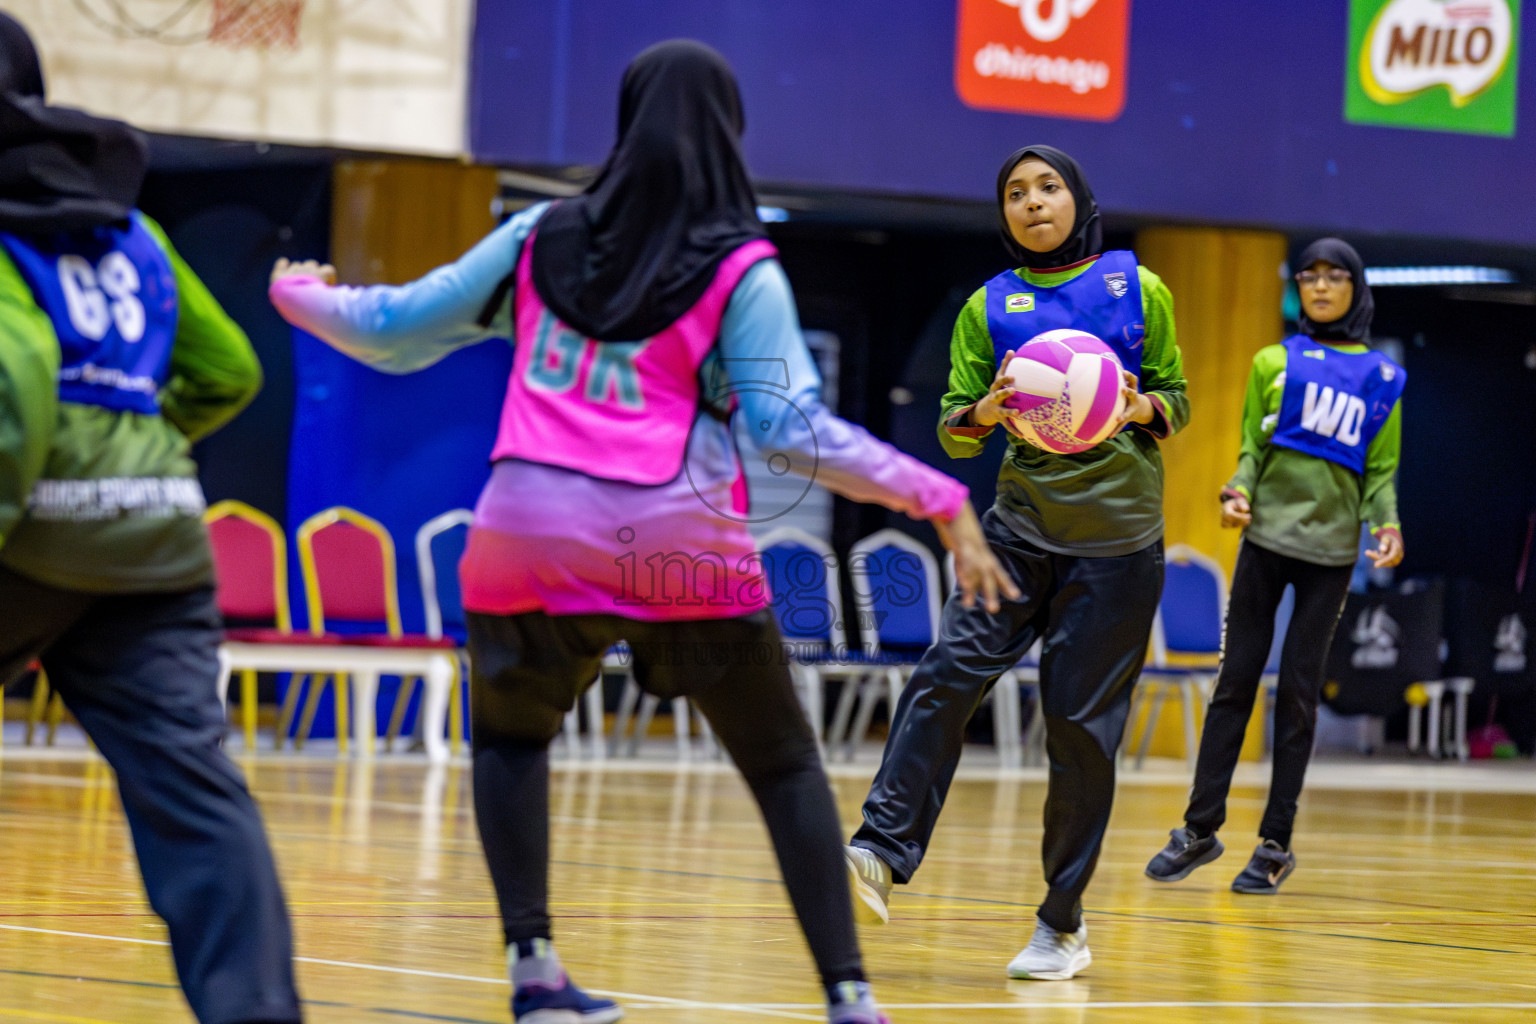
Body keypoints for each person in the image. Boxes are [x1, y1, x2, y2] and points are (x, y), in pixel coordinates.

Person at [268, 39, 1014, 1024]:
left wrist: (298, 292)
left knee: (510, 741)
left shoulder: (535, 238)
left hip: (525, 534)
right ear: (730, 133)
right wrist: (939, 496)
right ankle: (849, 998)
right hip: (673, 546)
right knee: (784, 763)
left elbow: (394, 328)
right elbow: (789, 431)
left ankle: (535, 974)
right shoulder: (740, 268)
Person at [0, 14, 303, 1024]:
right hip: (161, 534)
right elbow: (230, 369)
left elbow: (16, 377)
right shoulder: (128, 225)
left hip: (33, 533)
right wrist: (135, 441)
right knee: (195, 793)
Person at [842, 145, 1188, 981]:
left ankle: (1061, 925)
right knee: (946, 672)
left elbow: (1177, 399)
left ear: (1079, 198)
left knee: (1078, 736)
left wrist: (1137, 406)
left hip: (1118, 546)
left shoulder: (1139, 289)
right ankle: (881, 848)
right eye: (1016, 193)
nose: (1033, 202)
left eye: (1048, 187)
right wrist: (986, 412)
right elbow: (954, 425)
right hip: (1018, 532)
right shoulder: (988, 306)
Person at [1145, 237, 1404, 894]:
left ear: (1356, 289)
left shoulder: (1383, 379)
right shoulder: (1272, 361)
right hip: (1264, 542)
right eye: (1309, 276)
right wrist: (1237, 492)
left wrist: (1388, 525)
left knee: (1297, 696)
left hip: (1331, 556)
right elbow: (1250, 453)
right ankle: (1198, 829)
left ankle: (1275, 845)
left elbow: (1380, 473)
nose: (1320, 287)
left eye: (1335, 276)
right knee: (1233, 685)